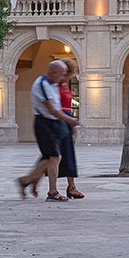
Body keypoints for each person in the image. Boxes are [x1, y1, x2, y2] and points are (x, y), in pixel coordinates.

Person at [19, 59, 76, 200]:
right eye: (61, 74)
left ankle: (28, 181)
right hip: (45, 123)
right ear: (53, 72)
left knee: (51, 158)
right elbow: (52, 109)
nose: (63, 77)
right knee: (55, 157)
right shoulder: (43, 84)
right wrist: (70, 120)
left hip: (54, 123)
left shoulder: (53, 83)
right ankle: (51, 191)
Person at [56, 68, 85, 199]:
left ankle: (71, 186)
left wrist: (71, 123)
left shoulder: (65, 86)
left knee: (68, 155)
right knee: (53, 158)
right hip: (59, 122)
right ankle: (30, 180)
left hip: (67, 121)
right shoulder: (55, 86)